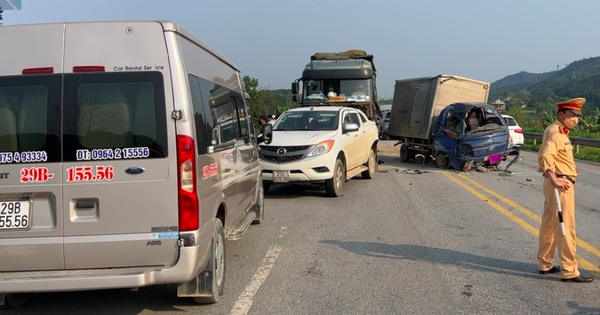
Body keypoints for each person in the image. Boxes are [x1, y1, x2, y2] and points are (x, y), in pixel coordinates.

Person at [537, 97, 592, 283]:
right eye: (572, 115)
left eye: (577, 115)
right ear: (561, 114)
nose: (575, 119)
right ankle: (570, 270)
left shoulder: (557, 130)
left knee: (549, 225)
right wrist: (555, 179)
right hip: (560, 187)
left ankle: (545, 264)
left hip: (553, 187)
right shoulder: (557, 133)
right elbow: (546, 156)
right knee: (565, 227)